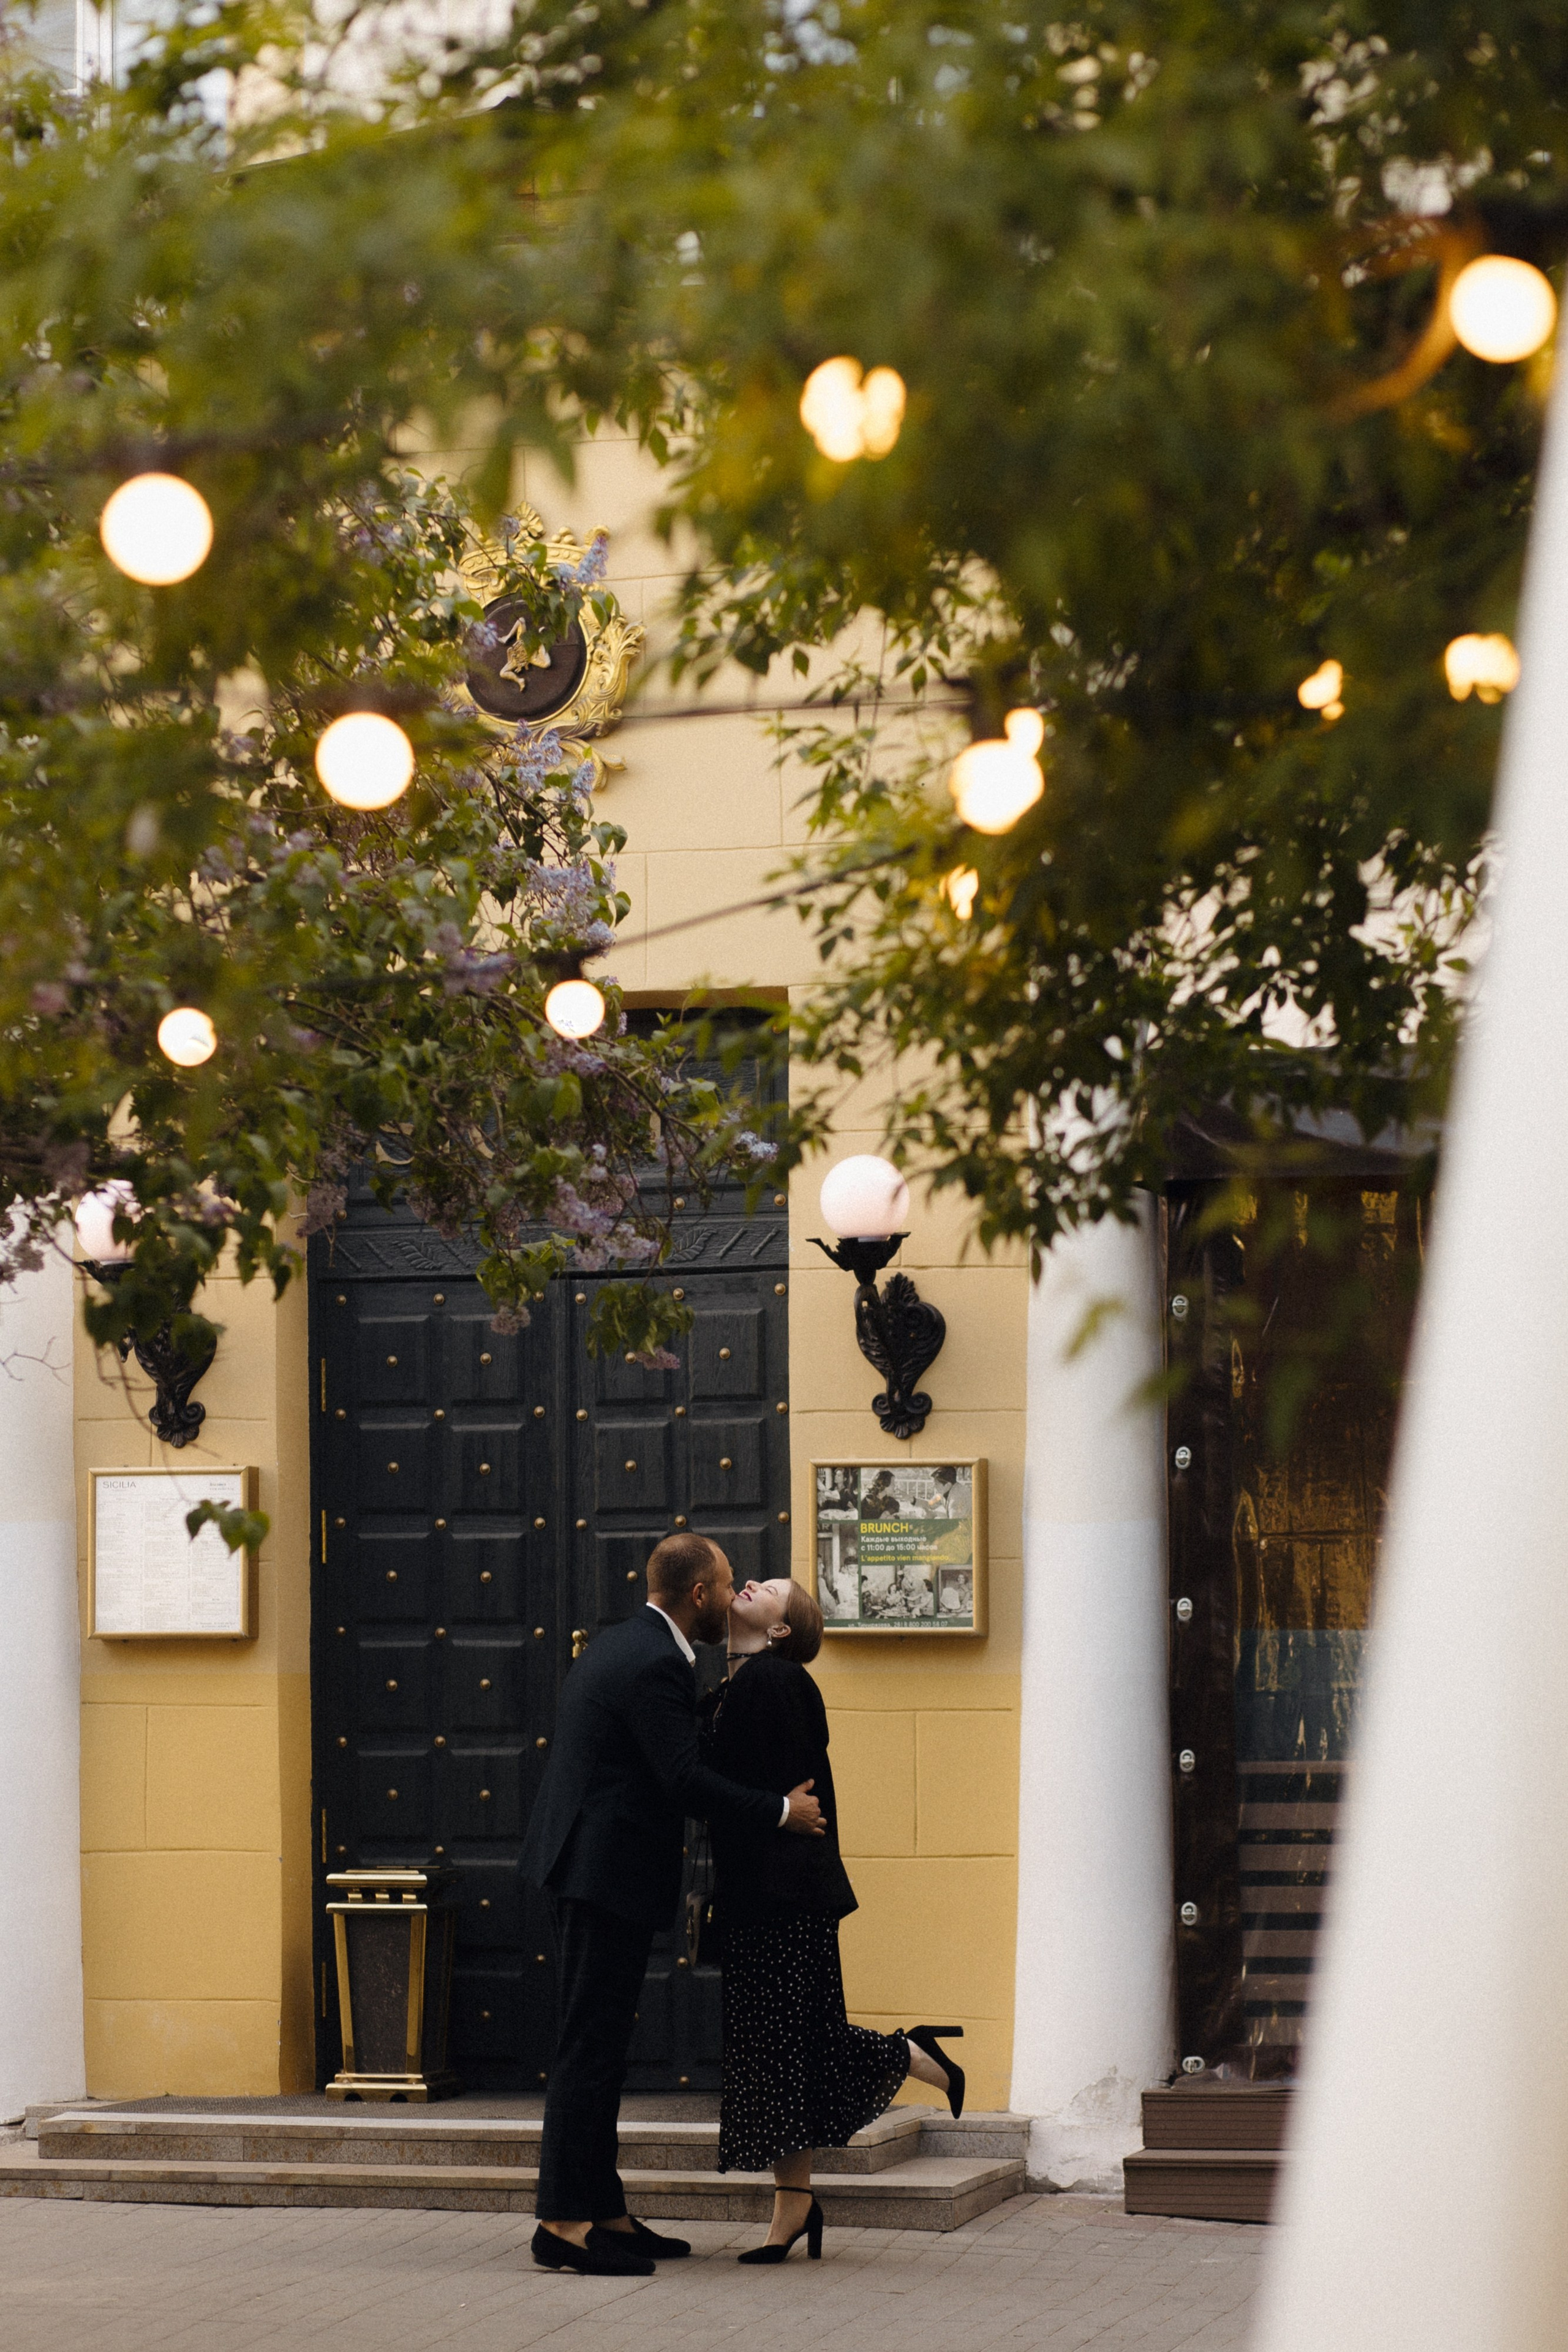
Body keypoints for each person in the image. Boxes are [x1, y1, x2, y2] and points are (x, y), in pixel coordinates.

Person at [519, 1532, 826, 2278]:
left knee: (599, 2051)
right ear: (700, 1596)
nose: (733, 1595)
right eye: (726, 1586)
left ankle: (606, 2214)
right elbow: (683, 1780)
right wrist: (780, 1812)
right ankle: (562, 2226)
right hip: (602, 1875)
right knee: (588, 2053)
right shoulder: (655, 1662)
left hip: (596, 1871)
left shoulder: (627, 1643)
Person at [703, 1575, 965, 2264]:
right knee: (777, 2051)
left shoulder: (773, 1680)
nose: (749, 1581)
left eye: (768, 1589)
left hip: (784, 1895)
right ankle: (793, 2207)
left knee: (792, 2042)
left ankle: (912, 2054)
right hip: (769, 1894)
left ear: (781, 1629)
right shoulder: (740, 1684)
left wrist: (771, 1807)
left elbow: (761, 1788)